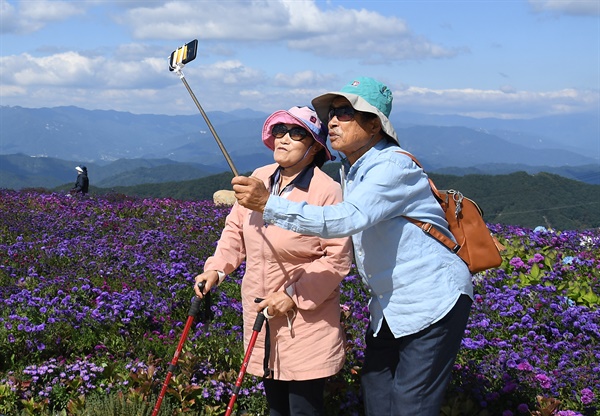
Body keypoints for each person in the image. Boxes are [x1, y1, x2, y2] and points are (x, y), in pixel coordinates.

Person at [231, 77, 474, 416]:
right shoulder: (355, 169)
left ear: (374, 124)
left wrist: (268, 204)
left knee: (410, 404)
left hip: (432, 299)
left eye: (345, 112)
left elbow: (346, 219)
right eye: (331, 112)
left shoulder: (392, 166)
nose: (332, 120)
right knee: (376, 394)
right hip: (390, 306)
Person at [193, 106, 353, 416]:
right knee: (275, 407)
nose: (284, 138)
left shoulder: (327, 192)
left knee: (303, 409)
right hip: (261, 313)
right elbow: (236, 229)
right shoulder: (259, 178)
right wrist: (216, 268)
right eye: (279, 131)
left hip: (307, 321)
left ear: (314, 147)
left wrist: (292, 296)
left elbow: (337, 260)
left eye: (296, 133)